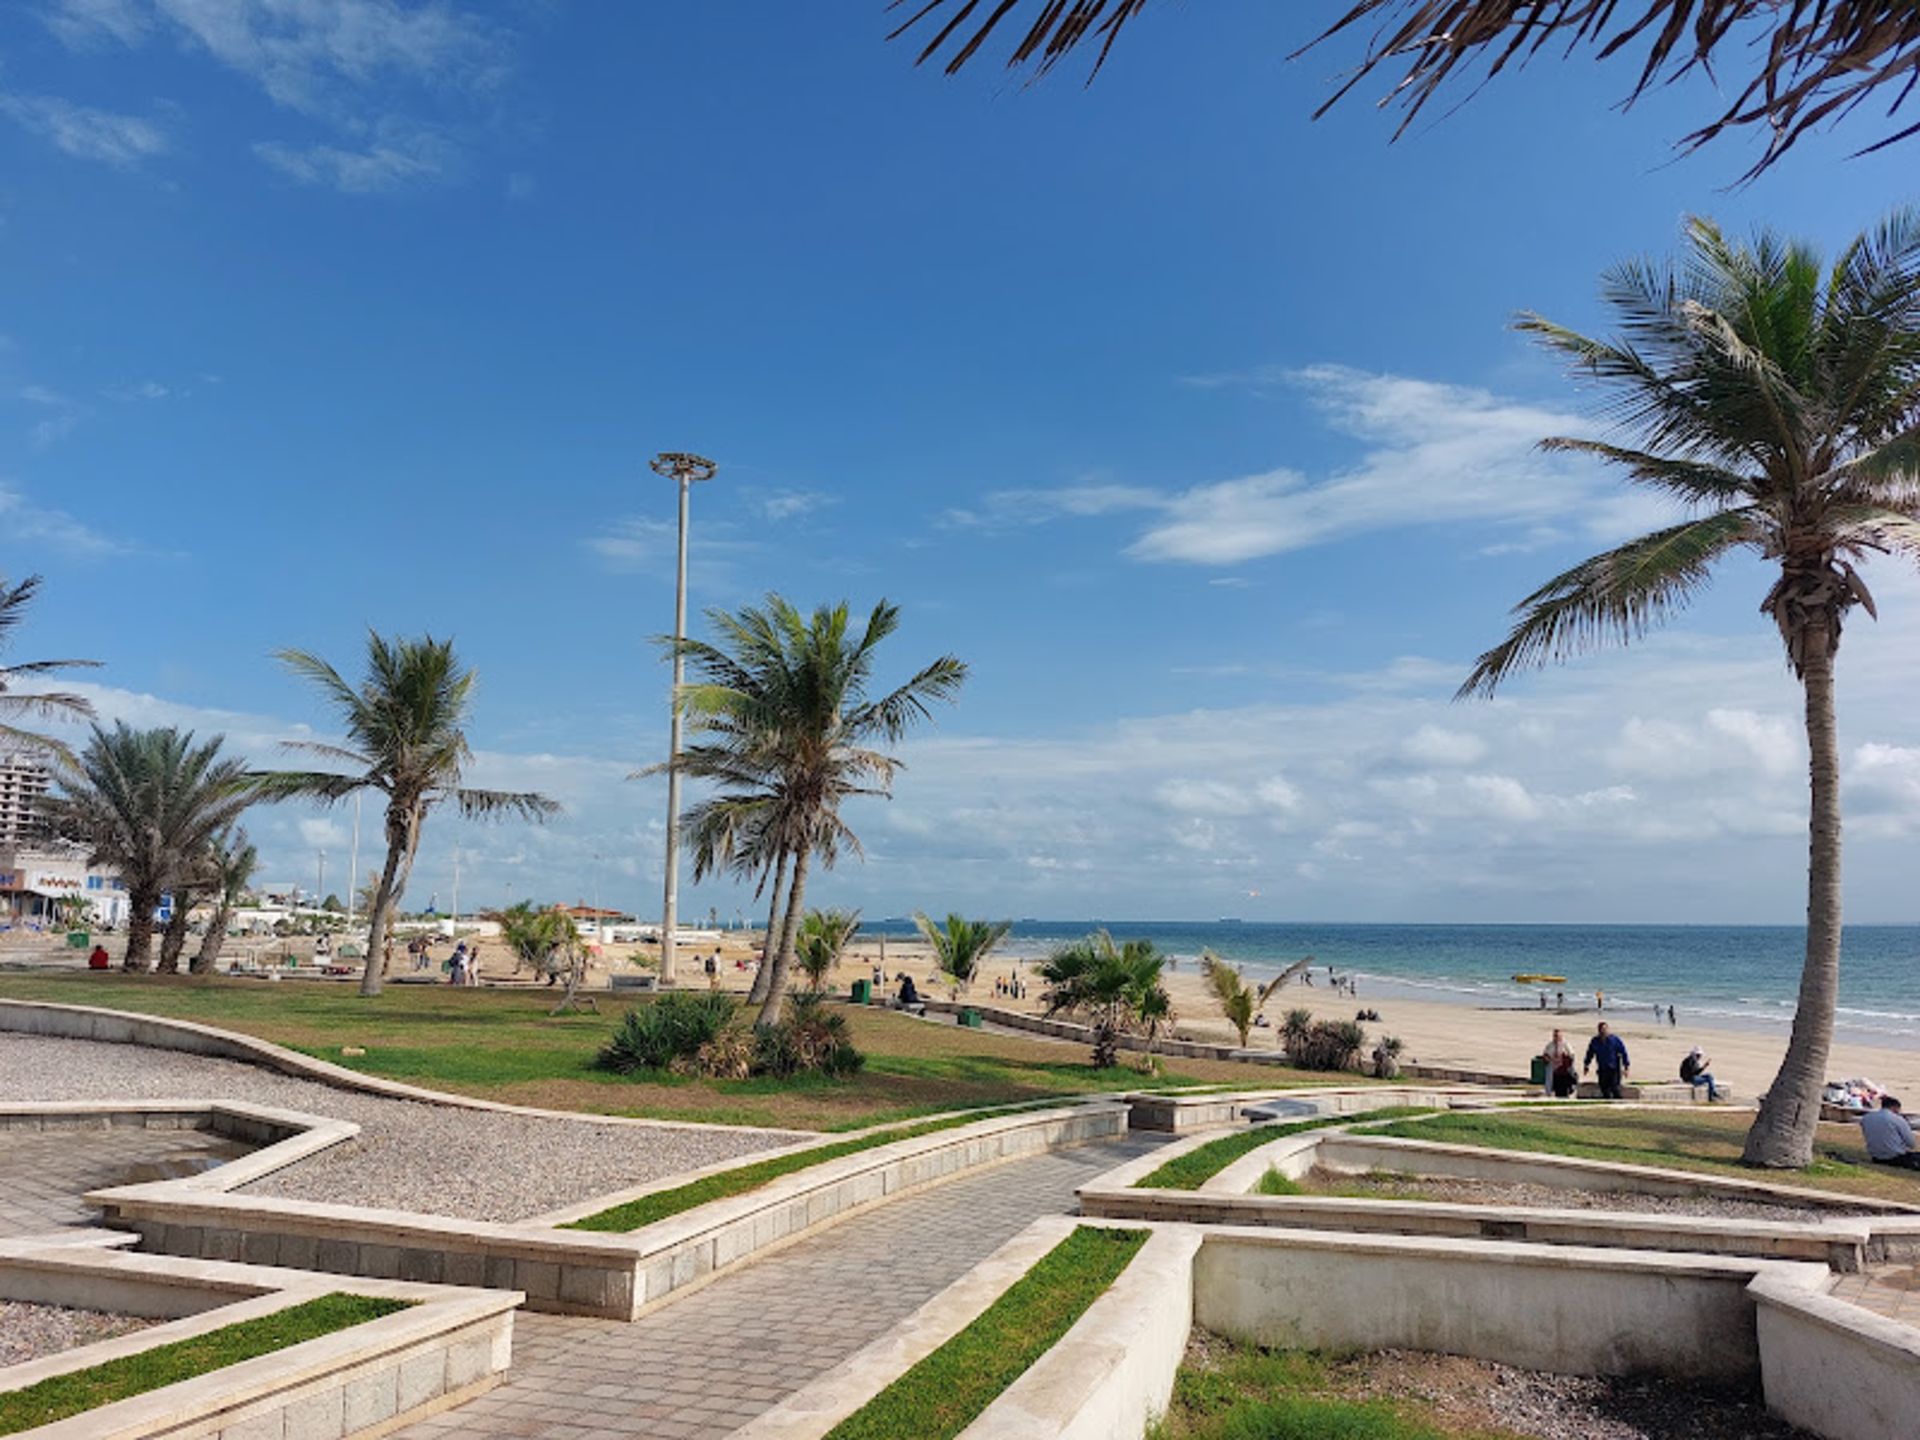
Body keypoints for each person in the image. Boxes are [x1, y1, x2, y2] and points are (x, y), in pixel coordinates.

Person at [1861, 1097, 1920, 1170]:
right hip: (1895, 1157)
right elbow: (1911, 1143)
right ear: (1895, 1107)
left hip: (1876, 1157)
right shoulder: (1897, 1119)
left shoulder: (1866, 1118)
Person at [1583, 1021, 1630, 1099]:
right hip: (1602, 1069)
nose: (1603, 1031)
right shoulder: (1595, 1041)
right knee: (1604, 1089)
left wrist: (1626, 1067)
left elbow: (1623, 1052)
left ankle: (1619, 1103)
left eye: (1605, 1029)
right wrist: (1586, 1065)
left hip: (1614, 1069)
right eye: (1601, 1029)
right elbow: (1590, 1054)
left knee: (1615, 1088)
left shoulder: (1614, 1040)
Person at [1539, 1028, 1574, 1097]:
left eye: (1558, 1036)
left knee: (1564, 1090)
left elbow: (1571, 1055)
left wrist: (1566, 1059)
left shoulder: (1566, 1045)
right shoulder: (1550, 1045)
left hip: (1564, 1072)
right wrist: (1547, 1058)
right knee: (1556, 1089)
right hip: (1554, 1072)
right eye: (1555, 1036)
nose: (1556, 1038)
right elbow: (1545, 1056)